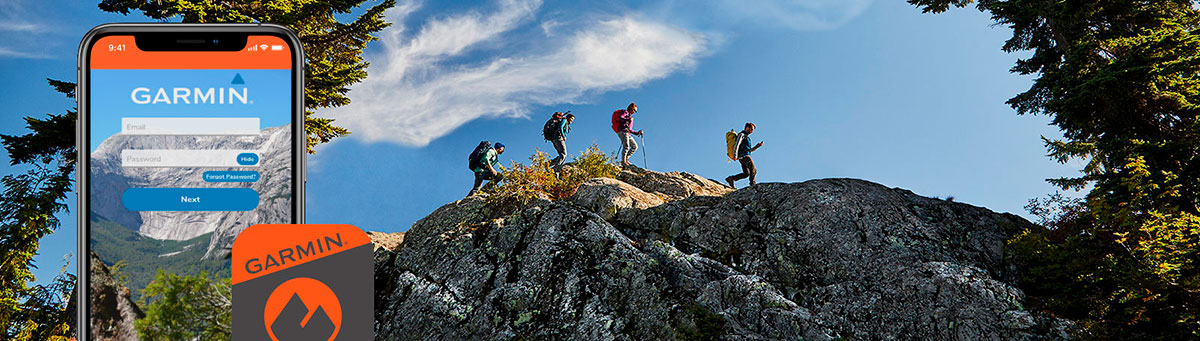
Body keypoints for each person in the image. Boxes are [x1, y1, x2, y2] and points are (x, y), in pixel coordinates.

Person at [726, 122, 764, 189]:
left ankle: (731, 178)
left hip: (742, 157)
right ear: (747, 128)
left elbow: (749, 150)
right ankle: (752, 184)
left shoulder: (747, 138)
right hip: (744, 157)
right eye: (751, 129)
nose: (752, 131)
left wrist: (757, 146)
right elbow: (737, 144)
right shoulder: (742, 135)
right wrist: (735, 154)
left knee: (746, 173)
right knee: (753, 169)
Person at [611, 102, 642, 167]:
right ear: (631, 108)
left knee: (634, 146)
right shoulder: (626, 112)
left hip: (627, 133)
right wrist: (628, 119)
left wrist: (637, 133)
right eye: (634, 110)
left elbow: (630, 129)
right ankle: (623, 161)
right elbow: (620, 117)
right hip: (622, 132)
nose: (634, 112)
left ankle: (626, 159)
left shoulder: (629, 117)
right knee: (626, 146)